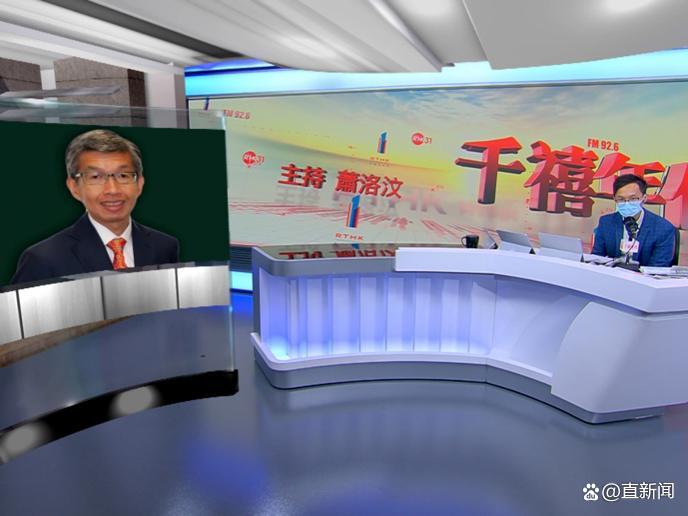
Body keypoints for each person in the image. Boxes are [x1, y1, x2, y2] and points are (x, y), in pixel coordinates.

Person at [11, 129, 179, 284]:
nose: (112, 190)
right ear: (74, 188)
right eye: (96, 177)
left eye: (123, 175)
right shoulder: (43, 259)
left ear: (140, 184)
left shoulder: (164, 246)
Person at [591, 174, 675, 267]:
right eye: (621, 199)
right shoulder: (606, 223)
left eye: (633, 199)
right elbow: (596, 259)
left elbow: (658, 267)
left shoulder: (663, 229)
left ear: (644, 198)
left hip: (644, 276)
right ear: (614, 199)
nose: (627, 203)